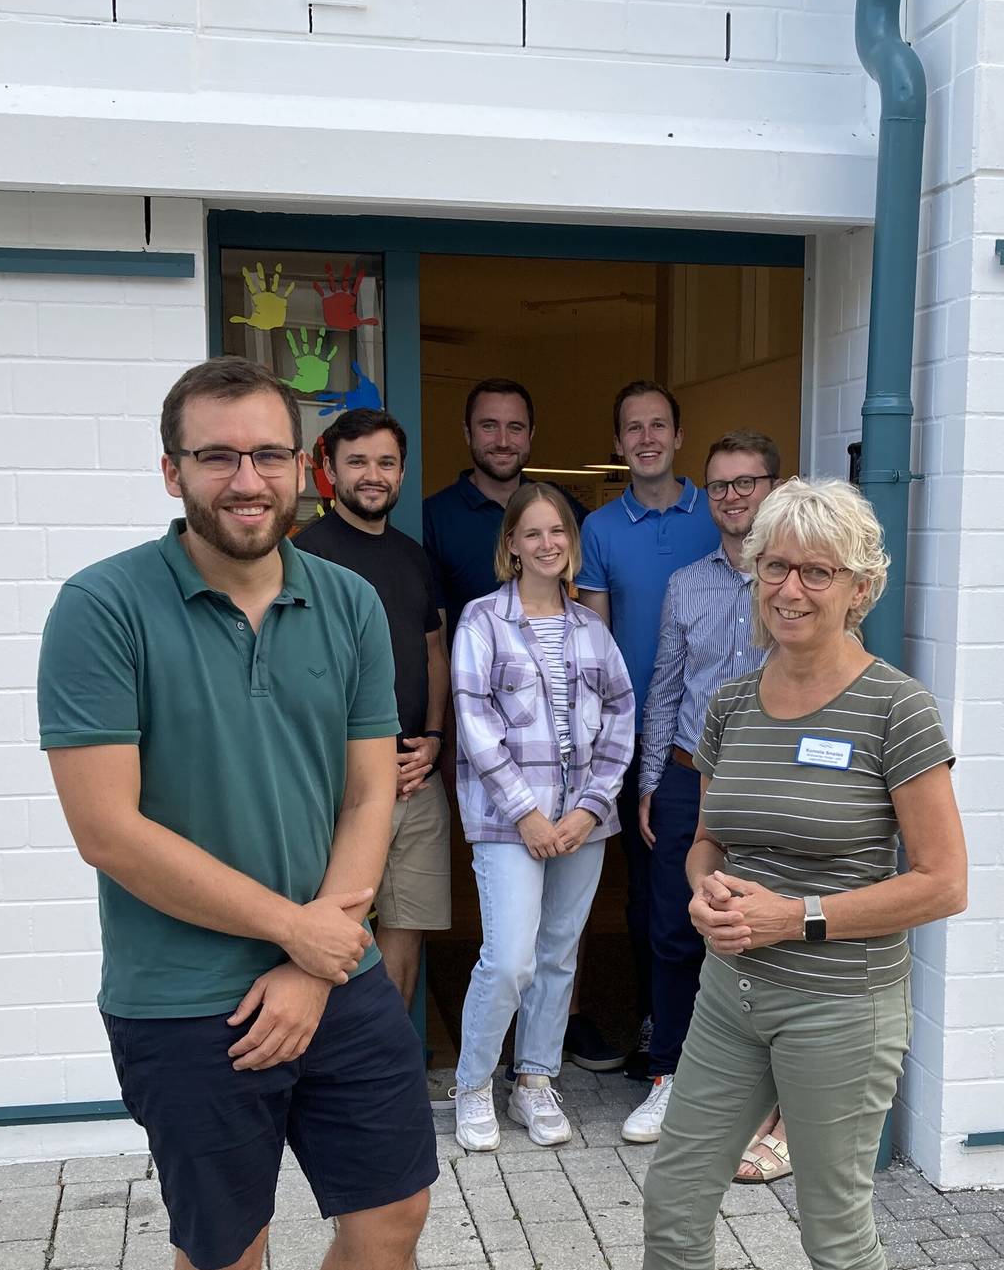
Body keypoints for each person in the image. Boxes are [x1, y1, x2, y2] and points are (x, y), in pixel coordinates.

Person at [38, 358, 433, 1270]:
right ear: (173, 472)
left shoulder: (350, 603)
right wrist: (299, 934)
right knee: (229, 1248)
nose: (246, 480)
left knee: (394, 1214)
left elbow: (372, 793)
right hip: (185, 995)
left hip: (338, 972)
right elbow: (109, 830)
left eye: (267, 455)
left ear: (304, 467)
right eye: (216, 456)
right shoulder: (103, 608)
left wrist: (317, 955)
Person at [641, 478, 970, 1270]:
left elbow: (943, 881)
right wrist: (704, 891)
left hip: (841, 1009)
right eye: (775, 566)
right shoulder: (730, 704)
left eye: (816, 572)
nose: (789, 589)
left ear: (859, 587)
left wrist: (795, 916)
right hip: (730, 994)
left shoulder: (898, 708)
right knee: (674, 1197)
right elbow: (709, 840)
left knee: (832, 1225)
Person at [449, 484, 637, 1151]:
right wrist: (527, 813)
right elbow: (474, 725)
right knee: (508, 959)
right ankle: (472, 1085)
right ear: (511, 545)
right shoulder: (480, 621)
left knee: (558, 955)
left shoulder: (592, 628)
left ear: (571, 542)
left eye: (557, 531)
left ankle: (534, 1080)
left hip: (584, 825)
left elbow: (621, 720)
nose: (547, 543)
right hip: (509, 824)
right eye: (532, 532)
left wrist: (590, 809)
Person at [620, 431, 779, 1152]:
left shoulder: (797, 579)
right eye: (719, 485)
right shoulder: (688, 583)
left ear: (774, 486)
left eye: (746, 482)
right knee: (675, 929)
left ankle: (758, 1093)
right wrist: (651, 781)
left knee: (758, 933)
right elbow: (664, 688)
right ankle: (668, 1078)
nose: (733, 496)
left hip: (770, 781)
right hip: (688, 777)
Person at [575, 381, 721, 1076]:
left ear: (679, 435)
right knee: (649, 891)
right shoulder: (599, 529)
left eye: (658, 424)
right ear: (618, 441)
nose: (646, 437)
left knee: (720, 881)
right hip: (636, 738)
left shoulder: (717, 513)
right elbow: (595, 639)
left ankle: (718, 1040)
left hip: (710, 737)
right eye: (632, 427)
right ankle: (655, 1020)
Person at [294, 407, 452, 1006]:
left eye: (385, 462)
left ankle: (389, 1070)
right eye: (357, 461)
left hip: (416, 777)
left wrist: (434, 738)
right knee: (336, 929)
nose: (372, 475)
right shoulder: (303, 559)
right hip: (340, 784)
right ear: (328, 469)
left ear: (402, 472)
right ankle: (337, 1077)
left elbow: (433, 654)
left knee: (406, 927)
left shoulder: (414, 558)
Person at [422, 377, 588, 636]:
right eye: (489, 426)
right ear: (468, 433)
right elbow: (435, 640)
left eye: (515, 428)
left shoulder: (560, 505)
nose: (503, 441)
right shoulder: (434, 518)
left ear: (531, 434)